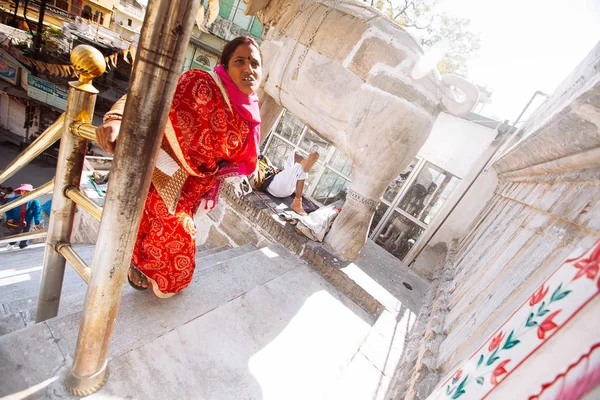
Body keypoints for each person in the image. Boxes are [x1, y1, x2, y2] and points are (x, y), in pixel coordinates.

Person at [95, 36, 262, 298]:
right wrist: (116, 118)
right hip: (161, 169)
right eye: (239, 61)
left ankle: (144, 266)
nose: (248, 69)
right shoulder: (200, 82)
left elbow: (231, 161)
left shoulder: (249, 115)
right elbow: (150, 92)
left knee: (167, 233)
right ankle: (141, 265)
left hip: (194, 186)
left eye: (254, 63)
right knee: (177, 232)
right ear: (224, 65)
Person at [265, 149, 320, 216]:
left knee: (296, 159)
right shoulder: (261, 163)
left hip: (282, 188)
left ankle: (304, 163)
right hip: (273, 185)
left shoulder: (290, 169)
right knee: (301, 168)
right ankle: (297, 202)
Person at [5, 183, 42, 250]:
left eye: (27, 191)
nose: (24, 193)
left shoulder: (35, 201)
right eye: (22, 191)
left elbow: (37, 212)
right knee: (15, 232)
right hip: (16, 219)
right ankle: (11, 244)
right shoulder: (14, 199)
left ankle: (23, 246)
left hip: (28, 220)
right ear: (20, 192)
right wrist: (9, 218)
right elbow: (8, 208)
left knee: (26, 232)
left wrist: (37, 222)